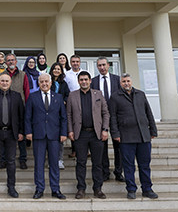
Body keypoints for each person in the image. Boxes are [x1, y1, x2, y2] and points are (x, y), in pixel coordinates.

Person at [110, 73, 158, 200]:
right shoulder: (115, 97)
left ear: (131, 82)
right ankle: (131, 189)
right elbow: (113, 117)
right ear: (120, 83)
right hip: (126, 137)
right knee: (128, 165)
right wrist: (115, 134)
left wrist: (153, 130)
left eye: (128, 81)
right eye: (124, 81)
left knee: (145, 164)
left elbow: (149, 112)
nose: (126, 83)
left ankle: (147, 189)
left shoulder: (140, 94)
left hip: (143, 136)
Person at [66, 71, 109, 199]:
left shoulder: (98, 94)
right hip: (80, 134)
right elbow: (69, 115)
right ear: (78, 81)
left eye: (86, 79)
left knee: (97, 163)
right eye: (81, 80)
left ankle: (98, 189)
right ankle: (81, 188)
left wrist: (105, 129)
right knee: (81, 162)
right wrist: (70, 130)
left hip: (96, 134)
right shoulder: (72, 95)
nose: (84, 82)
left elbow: (105, 113)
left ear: (90, 81)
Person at [25, 73, 67, 200]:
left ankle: (55, 189)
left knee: (54, 163)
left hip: (54, 135)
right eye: (41, 81)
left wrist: (64, 133)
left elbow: (63, 117)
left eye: (46, 81)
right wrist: (28, 132)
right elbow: (27, 117)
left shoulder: (58, 97)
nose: (44, 84)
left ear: (50, 83)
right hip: (38, 135)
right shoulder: (32, 97)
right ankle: (39, 189)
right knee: (39, 163)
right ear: (38, 83)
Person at [91, 56, 123, 182]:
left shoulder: (117, 79)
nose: (102, 67)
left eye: (104, 65)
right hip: (99, 117)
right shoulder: (93, 81)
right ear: (97, 67)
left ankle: (119, 171)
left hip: (116, 117)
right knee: (102, 146)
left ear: (108, 65)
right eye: (99, 65)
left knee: (118, 146)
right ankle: (105, 172)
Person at [0, 53, 30, 169]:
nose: (11, 62)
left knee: (20, 136)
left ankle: (22, 159)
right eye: (8, 60)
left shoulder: (23, 75)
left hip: (19, 109)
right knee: (4, 136)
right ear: (6, 63)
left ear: (16, 62)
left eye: (13, 60)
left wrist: (27, 107)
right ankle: (4, 159)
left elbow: (26, 91)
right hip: (5, 109)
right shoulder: (2, 75)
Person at [49, 62, 70, 170]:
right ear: (52, 70)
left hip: (60, 111)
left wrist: (64, 101)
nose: (56, 70)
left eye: (58, 69)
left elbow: (67, 95)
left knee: (60, 140)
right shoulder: (48, 81)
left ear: (61, 71)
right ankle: (51, 160)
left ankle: (60, 160)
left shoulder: (64, 83)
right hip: (50, 112)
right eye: (55, 69)